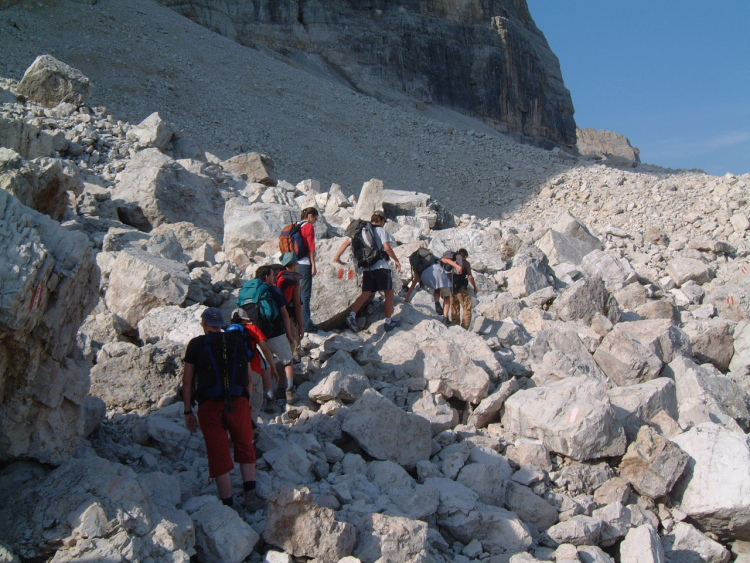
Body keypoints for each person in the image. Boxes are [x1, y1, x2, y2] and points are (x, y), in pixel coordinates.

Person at [182, 307, 262, 510]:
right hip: (238, 402)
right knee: (245, 445)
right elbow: (249, 380)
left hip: (209, 404)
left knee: (218, 451)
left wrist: (187, 411)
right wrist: (247, 403)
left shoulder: (196, 345)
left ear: (204, 323)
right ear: (221, 324)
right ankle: (250, 495)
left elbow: (188, 381)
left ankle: (228, 505)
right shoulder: (236, 340)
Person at [334, 213, 402, 332]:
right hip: (380, 266)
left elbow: (345, 243)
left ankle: (351, 316)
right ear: (380, 220)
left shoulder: (359, 231)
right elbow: (386, 247)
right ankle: (388, 322)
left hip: (366, 267)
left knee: (365, 294)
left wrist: (337, 257)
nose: (384, 224)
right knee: (389, 293)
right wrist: (396, 260)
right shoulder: (380, 230)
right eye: (384, 222)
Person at [255, 264, 299, 404]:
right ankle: (289, 391)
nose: (275, 278)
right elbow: (285, 315)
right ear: (267, 277)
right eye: (273, 275)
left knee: (266, 364)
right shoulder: (274, 290)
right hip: (275, 331)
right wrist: (290, 334)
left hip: (257, 333)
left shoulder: (251, 290)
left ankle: (269, 399)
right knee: (287, 360)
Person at [230, 308, 281, 417]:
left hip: (232, 371)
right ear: (245, 320)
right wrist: (273, 367)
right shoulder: (253, 329)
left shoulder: (227, 332)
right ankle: (252, 430)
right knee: (254, 404)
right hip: (253, 369)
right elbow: (265, 349)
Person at [404, 251, 453, 324]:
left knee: (436, 288)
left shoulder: (419, 267)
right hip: (438, 273)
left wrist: (406, 298)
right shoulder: (435, 258)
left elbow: (414, 283)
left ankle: (437, 303)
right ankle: (445, 318)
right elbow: (446, 260)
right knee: (446, 297)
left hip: (426, 278)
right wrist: (457, 266)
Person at [270, 252, 304, 349]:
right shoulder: (293, 279)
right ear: (294, 264)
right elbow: (297, 304)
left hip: (273, 315)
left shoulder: (275, 276)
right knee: (292, 348)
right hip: (288, 315)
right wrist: (301, 326)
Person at [296, 207, 319, 333]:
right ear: (310, 215)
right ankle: (306, 325)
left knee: (296, 294)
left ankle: (297, 321)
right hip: (304, 264)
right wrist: (313, 264)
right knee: (305, 295)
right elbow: (311, 247)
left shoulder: (295, 225)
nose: (315, 221)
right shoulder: (308, 226)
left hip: (293, 263)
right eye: (315, 218)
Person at [443, 249, 478, 329]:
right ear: (465, 256)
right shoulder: (466, 263)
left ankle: (455, 327)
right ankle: (464, 327)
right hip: (461, 288)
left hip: (450, 288)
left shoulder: (451, 262)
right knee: (467, 307)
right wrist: (475, 287)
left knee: (454, 307)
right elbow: (470, 276)